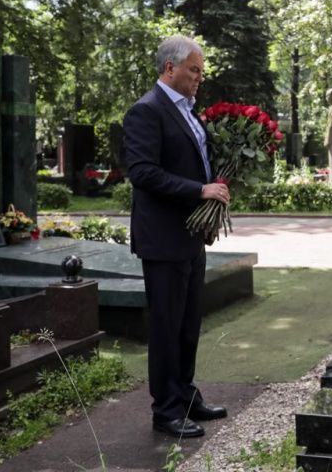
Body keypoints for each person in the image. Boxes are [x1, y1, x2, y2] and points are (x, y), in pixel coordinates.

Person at [123, 35, 231, 438]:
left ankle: (185, 397)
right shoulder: (146, 111)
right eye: (194, 70)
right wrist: (199, 190)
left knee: (187, 325)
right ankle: (166, 410)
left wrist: (216, 186)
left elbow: (194, 162)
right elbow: (142, 172)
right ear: (170, 68)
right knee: (167, 327)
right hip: (163, 238)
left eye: (201, 70)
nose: (199, 77)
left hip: (190, 235)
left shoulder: (189, 111)